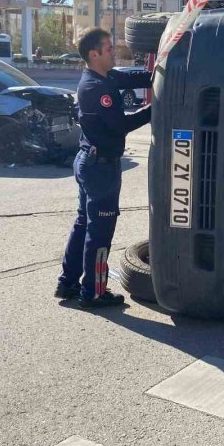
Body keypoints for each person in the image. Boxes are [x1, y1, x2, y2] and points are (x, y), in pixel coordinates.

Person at [55, 28, 152, 309]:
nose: (114, 51)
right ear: (94, 54)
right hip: (101, 169)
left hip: (90, 162)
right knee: (99, 233)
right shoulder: (95, 89)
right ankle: (94, 292)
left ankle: (68, 282)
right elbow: (120, 126)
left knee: (84, 223)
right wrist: (154, 107)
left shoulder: (102, 76)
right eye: (109, 48)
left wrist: (158, 72)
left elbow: (127, 77)